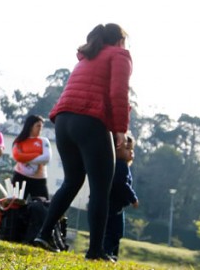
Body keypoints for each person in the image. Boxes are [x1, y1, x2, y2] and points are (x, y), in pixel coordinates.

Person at [33, 23, 133, 261]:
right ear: (120, 41)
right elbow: (119, 93)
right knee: (101, 188)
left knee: (73, 180)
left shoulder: (87, 56)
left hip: (64, 121)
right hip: (90, 120)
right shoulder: (119, 55)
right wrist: (120, 129)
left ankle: (43, 234)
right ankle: (95, 250)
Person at [103, 135, 139, 260]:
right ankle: (106, 252)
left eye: (132, 149)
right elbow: (121, 184)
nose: (131, 152)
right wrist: (133, 198)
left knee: (116, 232)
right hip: (113, 206)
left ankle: (112, 254)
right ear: (117, 149)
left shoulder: (122, 166)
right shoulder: (120, 165)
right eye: (128, 149)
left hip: (117, 207)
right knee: (113, 232)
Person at [12, 114, 52, 200]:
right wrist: (37, 155)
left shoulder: (44, 141)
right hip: (20, 177)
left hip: (39, 180)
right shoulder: (19, 141)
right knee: (14, 206)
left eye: (41, 126)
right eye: (38, 126)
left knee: (42, 207)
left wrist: (25, 158)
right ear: (30, 126)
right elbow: (17, 157)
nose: (40, 129)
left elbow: (46, 158)